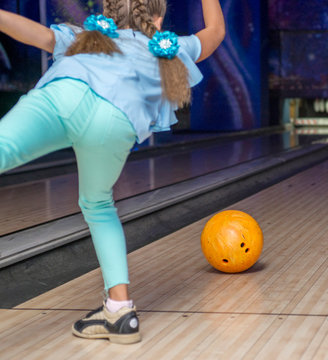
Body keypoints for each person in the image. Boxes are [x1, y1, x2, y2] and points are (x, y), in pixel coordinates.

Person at [0, 0, 225, 344]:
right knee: (98, 205)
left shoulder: (87, 36)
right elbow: (215, 33)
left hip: (65, 95)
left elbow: (40, 36)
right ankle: (120, 312)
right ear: (158, 18)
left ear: (107, 14)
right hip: (115, 122)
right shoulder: (167, 49)